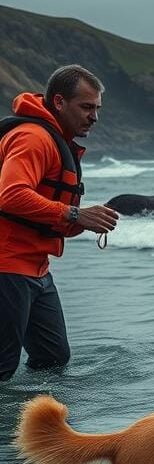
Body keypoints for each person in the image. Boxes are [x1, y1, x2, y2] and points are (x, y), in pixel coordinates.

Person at [0, 64, 118, 381]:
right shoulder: (32, 138)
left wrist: (86, 221)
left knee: (53, 359)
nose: (94, 116)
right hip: (7, 265)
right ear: (59, 103)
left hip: (37, 269)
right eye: (86, 107)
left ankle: (36, 427)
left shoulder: (58, 142)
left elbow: (46, 213)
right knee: (2, 368)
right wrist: (76, 214)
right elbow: (10, 196)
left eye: (97, 108)